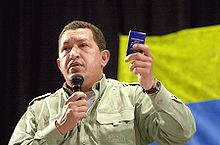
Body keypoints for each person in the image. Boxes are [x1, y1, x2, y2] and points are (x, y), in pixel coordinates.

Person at [9, 20, 196, 145]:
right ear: (59, 64)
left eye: (83, 45)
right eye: (66, 49)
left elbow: (181, 133)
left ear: (104, 58)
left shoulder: (134, 97)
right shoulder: (39, 109)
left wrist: (151, 86)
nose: (73, 53)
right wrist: (59, 128)